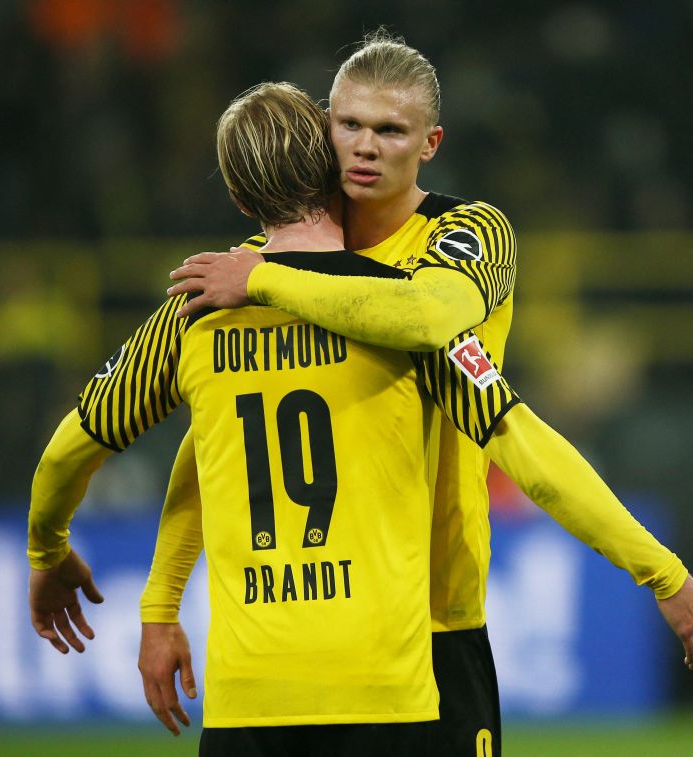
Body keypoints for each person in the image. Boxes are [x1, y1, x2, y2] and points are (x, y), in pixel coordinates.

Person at [145, 30, 693, 755]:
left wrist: (658, 570)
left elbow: (507, 423)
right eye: (349, 124)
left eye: (390, 130)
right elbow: (211, 444)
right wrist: (161, 605)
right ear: (324, 125)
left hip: (438, 620)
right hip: (308, 642)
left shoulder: (463, 236)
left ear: (430, 142)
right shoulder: (274, 263)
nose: (364, 146)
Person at [28, 81, 524, 755]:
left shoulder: (210, 299)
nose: (367, 144)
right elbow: (525, 441)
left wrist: (51, 552)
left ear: (238, 195)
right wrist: (660, 573)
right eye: (349, 125)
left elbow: (73, 454)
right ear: (331, 154)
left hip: (258, 685)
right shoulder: (405, 294)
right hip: (418, 642)